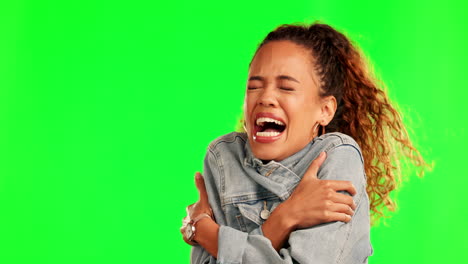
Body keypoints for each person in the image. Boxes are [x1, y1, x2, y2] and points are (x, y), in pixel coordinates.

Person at [180, 22, 426, 264]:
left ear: (325, 110)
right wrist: (286, 218)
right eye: (254, 86)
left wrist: (203, 231)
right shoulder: (223, 157)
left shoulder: (337, 156)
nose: (265, 98)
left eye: (286, 88)